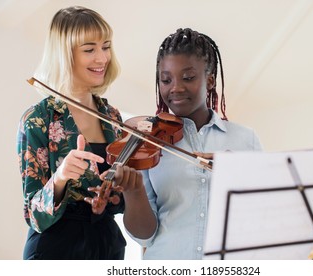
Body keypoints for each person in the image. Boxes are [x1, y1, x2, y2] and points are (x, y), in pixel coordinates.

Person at [16, 6, 156, 260]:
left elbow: (122, 200)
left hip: (107, 246)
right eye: (89, 49)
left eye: (106, 46)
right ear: (64, 55)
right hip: (55, 250)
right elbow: (32, 215)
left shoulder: (113, 117)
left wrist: (114, 196)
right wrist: (59, 179)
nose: (102, 58)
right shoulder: (37, 119)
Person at [129, 28, 263, 259]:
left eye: (188, 77)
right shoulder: (148, 144)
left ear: (210, 80)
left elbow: (263, 216)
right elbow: (144, 237)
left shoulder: (245, 139)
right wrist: (132, 191)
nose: (176, 88)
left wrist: (237, 172)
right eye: (166, 79)